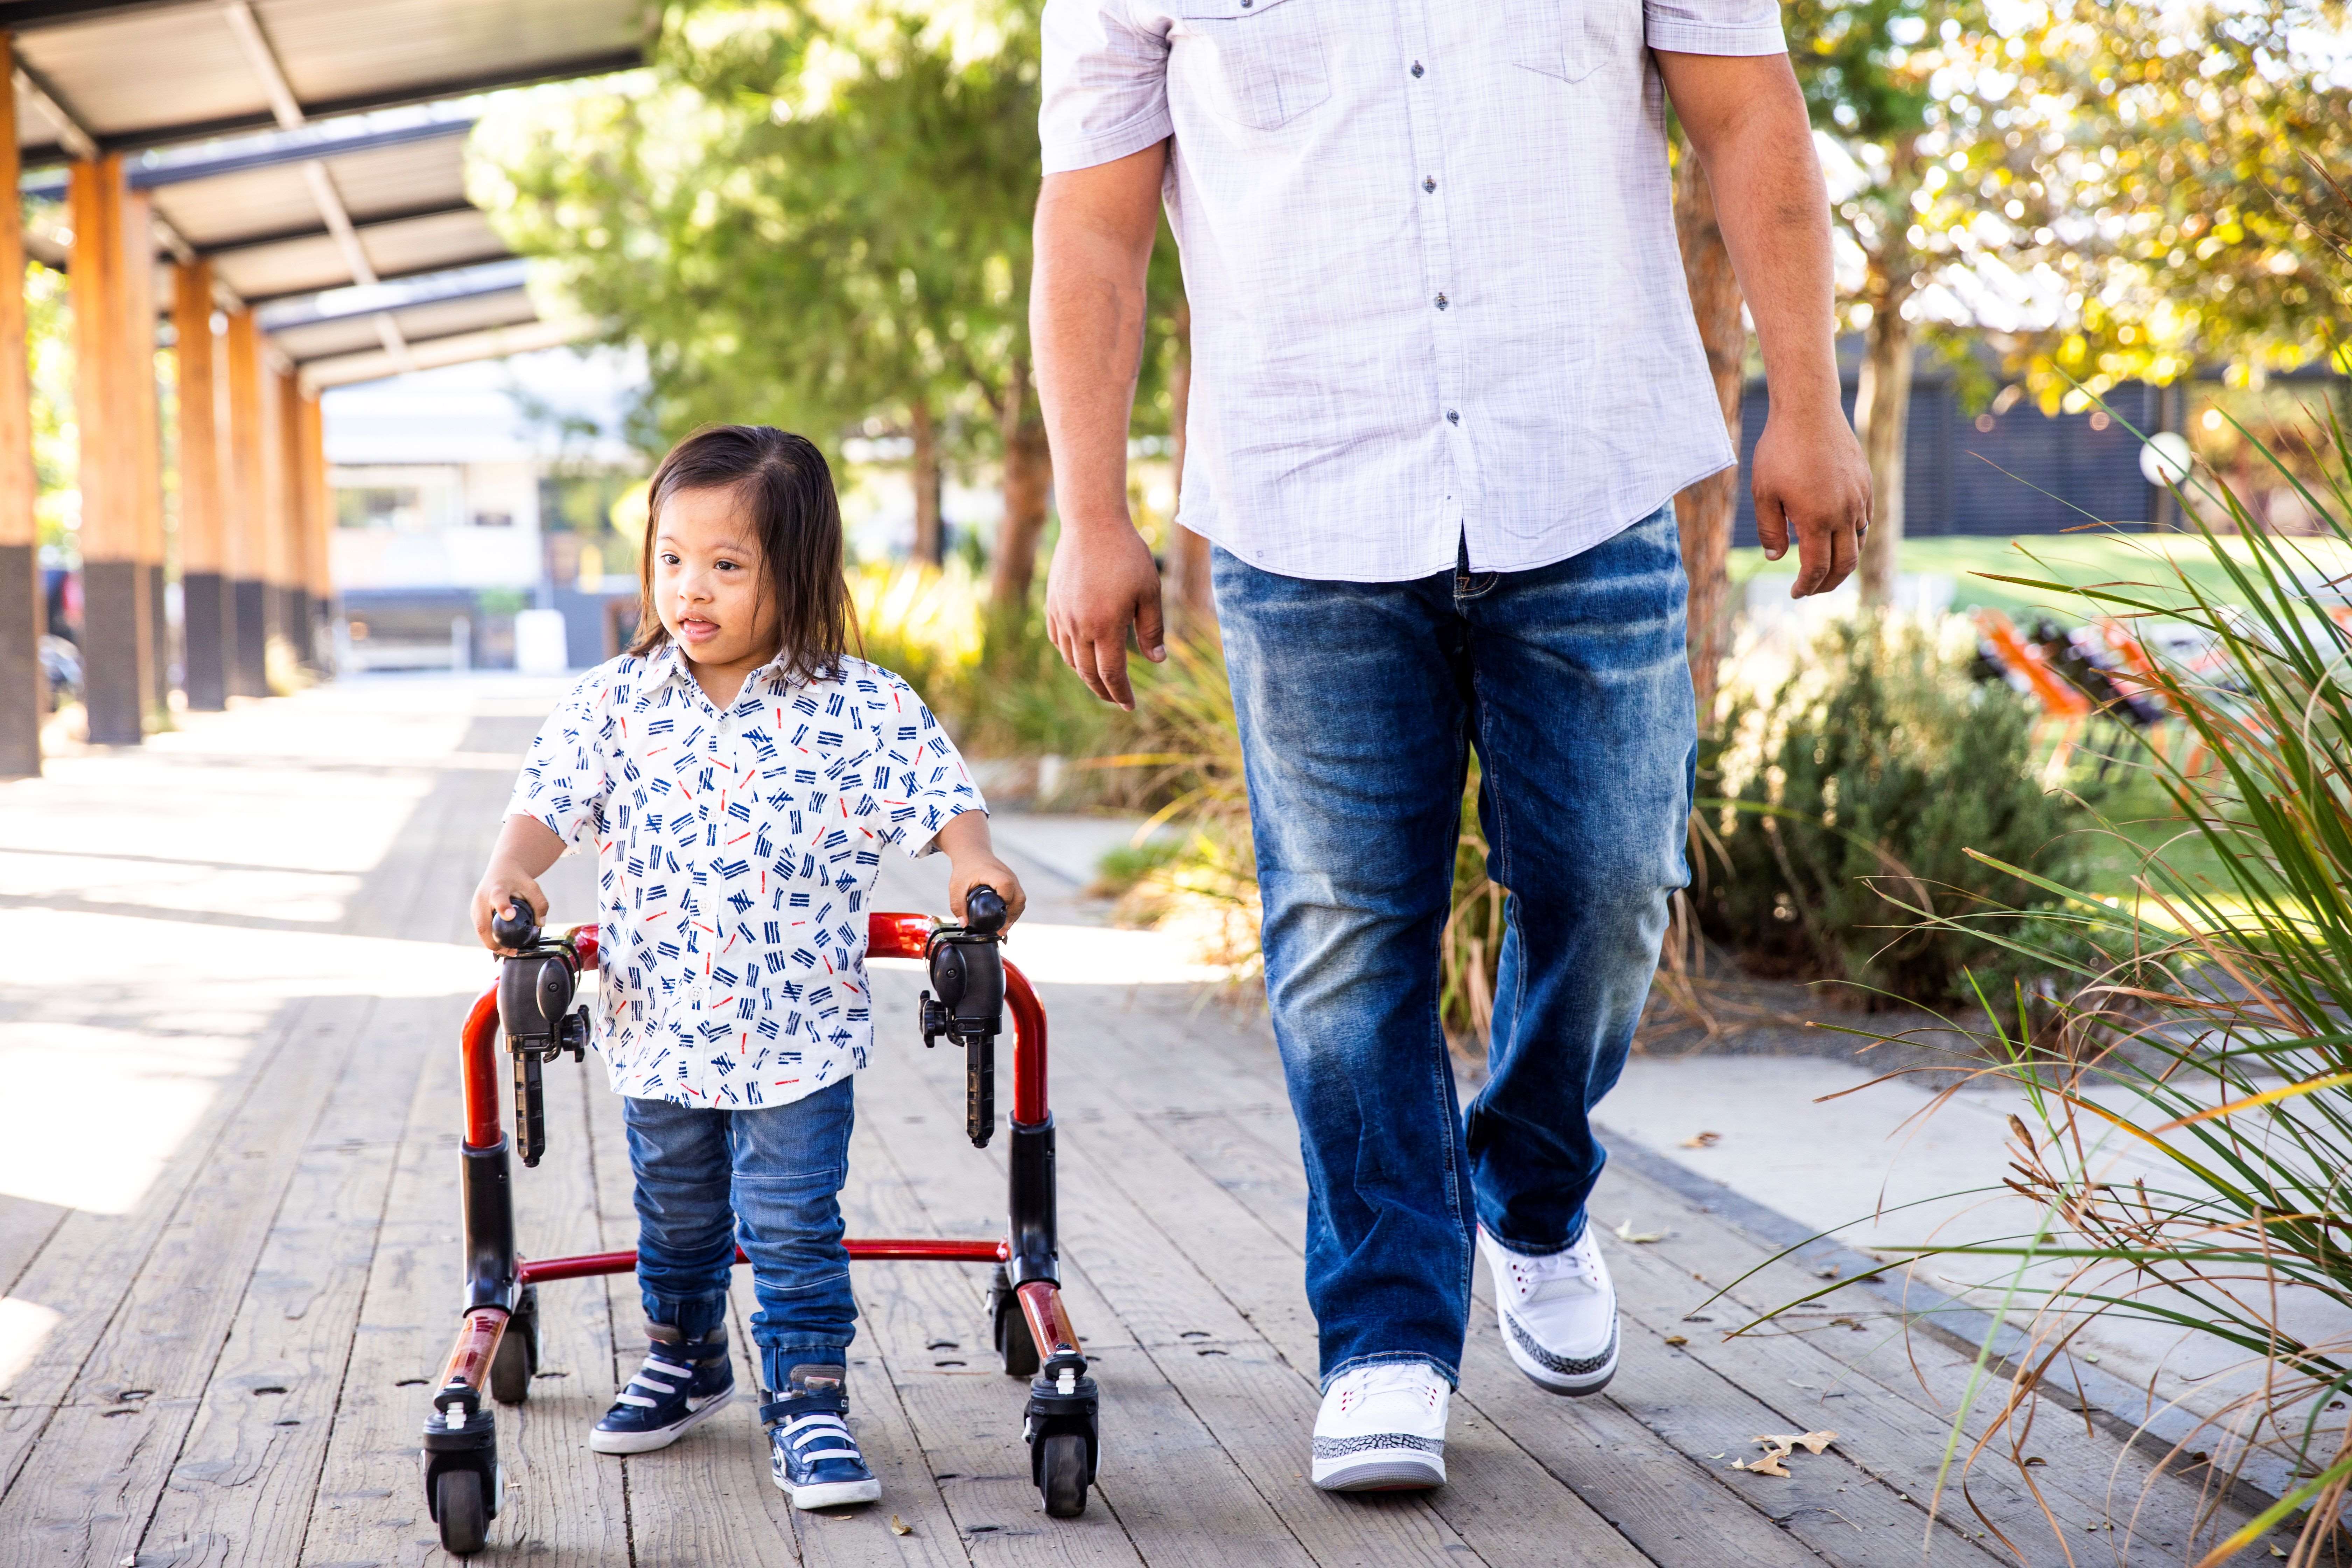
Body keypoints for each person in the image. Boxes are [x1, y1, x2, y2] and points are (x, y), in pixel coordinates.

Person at [1031, 0, 1871, 1492]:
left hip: (1588, 467)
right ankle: (1386, 1338)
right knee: (1347, 940)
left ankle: (1531, 1193)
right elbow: (1095, 222)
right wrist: (1089, 511)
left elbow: (1750, 114)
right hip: (1307, 499)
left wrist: (1812, 397)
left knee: (1615, 887)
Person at [470, 425, 1026, 1511]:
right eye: (672, 560)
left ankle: (809, 1399)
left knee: (792, 1221)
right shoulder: (614, 703)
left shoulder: (858, 706)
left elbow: (948, 814)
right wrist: (511, 880)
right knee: (674, 1214)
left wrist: (972, 866)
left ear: (798, 570)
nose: (694, 588)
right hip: (658, 1022)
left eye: (728, 565)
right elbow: (538, 821)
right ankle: (686, 1358)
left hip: (799, 1034)